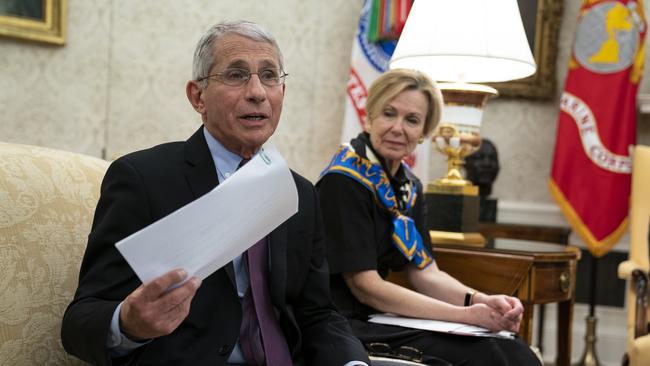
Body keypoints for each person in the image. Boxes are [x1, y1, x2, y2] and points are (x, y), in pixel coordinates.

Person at [61, 20, 370, 366]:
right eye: (237, 75)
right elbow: (79, 322)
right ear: (198, 96)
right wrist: (129, 323)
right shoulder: (142, 179)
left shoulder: (300, 193)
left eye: (269, 76)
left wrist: (352, 361)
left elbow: (318, 314)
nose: (258, 91)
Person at [317, 69, 542, 365]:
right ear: (369, 117)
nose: (398, 128)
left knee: (509, 348)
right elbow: (366, 287)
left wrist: (480, 300)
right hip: (339, 323)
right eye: (388, 113)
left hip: (376, 316)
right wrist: (465, 316)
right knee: (484, 355)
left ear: (424, 132)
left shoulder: (409, 186)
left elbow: (425, 272)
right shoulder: (344, 180)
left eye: (412, 120)